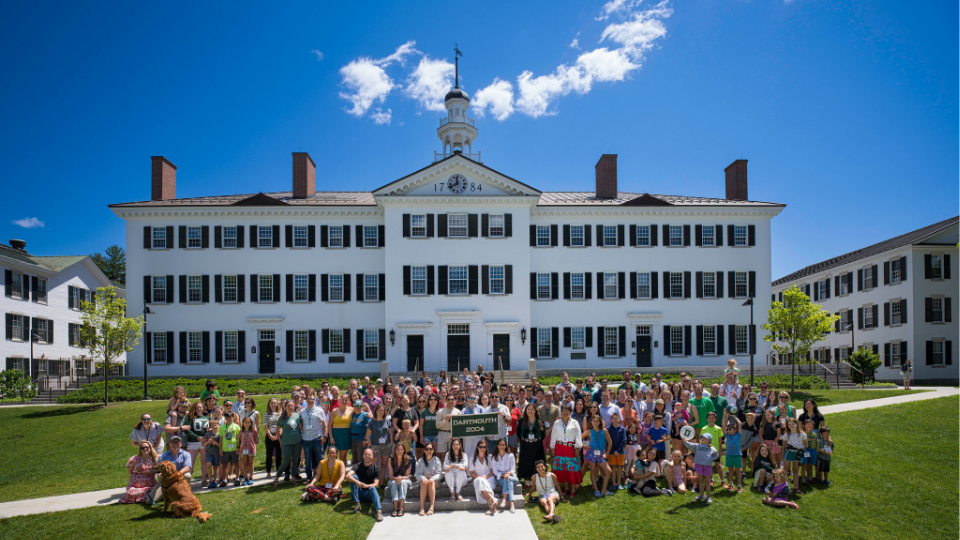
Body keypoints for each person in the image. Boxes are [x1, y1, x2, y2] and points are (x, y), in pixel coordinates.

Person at [550, 403, 583, 499]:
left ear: (570, 412)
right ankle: (566, 488)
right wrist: (552, 448)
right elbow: (553, 436)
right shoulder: (557, 423)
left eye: (567, 410)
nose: (565, 412)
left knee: (571, 469)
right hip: (559, 448)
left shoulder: (575, 423)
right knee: (563, 468)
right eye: (563, 410)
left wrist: (578, 447)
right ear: (561, 411)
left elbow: (578, 436)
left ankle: (573, 489)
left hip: (571, 448)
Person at [148, 435, 192, 504]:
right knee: (149, 501)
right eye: (173, 442)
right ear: (169, 445)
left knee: (187, 475)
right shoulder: (163, 456)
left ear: (181, 444)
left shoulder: (186, 454)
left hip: (179, 479)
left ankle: (181, 493)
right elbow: (159, 471)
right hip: (166, 480)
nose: (175, 444)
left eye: (177, 442)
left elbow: (187, 467)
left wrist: (176, 474)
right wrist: (161, 476)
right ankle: (167, 494)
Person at [346, 447, 384, 522]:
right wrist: (357, 482)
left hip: (368, 494)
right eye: (366, 454)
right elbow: (347, 476)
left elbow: (376, 484)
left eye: (369, 455)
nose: (367, 456)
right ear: (363, 456)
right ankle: (357, 504)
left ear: (372, 456)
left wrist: (366, 486)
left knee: (373, 488)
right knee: (353, 477)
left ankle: (379, 511)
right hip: (359, 492)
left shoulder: (375, 468)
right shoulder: (358, 465)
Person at [274, 400, 303, 486]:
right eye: (289, 406)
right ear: (285, 407)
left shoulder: (298, 416)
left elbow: (301, 427)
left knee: (295, 461)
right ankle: (276, 478)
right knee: (286, 462)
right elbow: (277, 431)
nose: (290, 407)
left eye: (292, 406)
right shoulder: (282, 418)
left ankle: (293, 479)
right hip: (286, 443)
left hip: (297, 442)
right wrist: (280, 442)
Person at [517, 403, 546, 490]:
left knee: (536, 463)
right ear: (525, 411)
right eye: (528, 409)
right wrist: (523, 440)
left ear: (535, 411)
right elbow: (518, 432)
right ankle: (527, 483)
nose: (530, 411)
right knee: (526, 463)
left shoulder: (540, 420)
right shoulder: (522, 420)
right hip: (525, 445)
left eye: (532, 409)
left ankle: (536, 482)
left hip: (536, 445)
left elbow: (543, 434)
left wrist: (537, 440)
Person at [683, 432, 719, 504]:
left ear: (709, 440)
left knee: (707, 482)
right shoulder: (697, 446)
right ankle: (702, 495)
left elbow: (716, 455)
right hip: (699, 466)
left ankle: (708, 497)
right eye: (702, 437)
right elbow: (689, 445)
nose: (702, 439)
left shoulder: (711, 448)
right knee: (701, 481)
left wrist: (710, 458)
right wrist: (684, 441)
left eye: (705, 438)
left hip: (707, 466)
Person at [583, 414, 612, 497]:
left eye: (597, 421)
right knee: (593, 472)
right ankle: (596, 490)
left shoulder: (604, 430)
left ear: (600, 422)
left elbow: (610, 443)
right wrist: (584, 446)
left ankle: (603, 490)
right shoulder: (589, 431)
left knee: (608, 471)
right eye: (594, 421)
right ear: (591, 422)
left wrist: (606, 454)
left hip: (600, 453)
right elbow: (578, 438)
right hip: (591, 453)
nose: (595, 423)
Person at [301, 393, 327, 483]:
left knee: (320, 458)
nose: (311, 401)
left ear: (315, 400)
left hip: (317, 438)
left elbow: (324, 424)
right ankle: (308, 477)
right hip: (306, 439)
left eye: (312, 399)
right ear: (306, 400)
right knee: (308, 459)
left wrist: (324, 436)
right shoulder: (302, 411)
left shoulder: (319, 410)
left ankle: (323, 475)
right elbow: (301, 424)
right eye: (309, 399)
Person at [469, 440, 498, 515]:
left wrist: (486, 476)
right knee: (480, 481)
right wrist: (480, 477)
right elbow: (471, 473)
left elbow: (492, 471)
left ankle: (491, 507)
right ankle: (492, 501)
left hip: (489, 478)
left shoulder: (489, 457)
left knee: (483, 487)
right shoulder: (472, 459)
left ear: (486, 447)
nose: (482, 448)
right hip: (477, 478)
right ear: (477, 447)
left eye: (484, 447)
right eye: (481, 447)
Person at [780, 417, 807, 495]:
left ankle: (796, 487)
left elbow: (805, 444)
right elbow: (784, 444)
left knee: (795, 470)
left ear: (797, 424)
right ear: (787, 426)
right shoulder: (786, 434)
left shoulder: (802, 434)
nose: (791, 425)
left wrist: (800, 449)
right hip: (789, 452)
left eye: (793, 423)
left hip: (798, 453)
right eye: (789, 424)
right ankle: (786, 487)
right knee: (786, 470)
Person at [491, 438, 518, 513]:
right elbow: (495, 471)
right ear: (497, 446)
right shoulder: (494, 457)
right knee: (509, 482)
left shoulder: (510, 455)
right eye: (500, 445)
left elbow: (513, 469)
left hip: (512, 477)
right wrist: (503, 475)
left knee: (509, 479)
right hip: (501, 479)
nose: (502, 446)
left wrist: (508, 474)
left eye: (503, 445)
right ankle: (511, 503)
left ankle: (504, 499)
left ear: (506, 446)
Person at [182, 402, 209, 477]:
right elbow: (187, 430)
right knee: (190, 462)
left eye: (200, 407)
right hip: (193, 442)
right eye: (197, 408)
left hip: (204, 442)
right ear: (194, 409)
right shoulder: (190, 418)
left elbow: (207, 430)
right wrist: (197, 437)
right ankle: (188, 479)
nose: (199, 409)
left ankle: (204, 479)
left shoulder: (206, 418)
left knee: (204, 461)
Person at [386, 443, 413, 517]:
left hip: (405, 480)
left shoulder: (409, 459)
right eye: (398, 449)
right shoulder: (390, 460)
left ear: (404, 450)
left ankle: (401, 507)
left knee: (403, 482)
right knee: (394, 483)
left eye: (401, 449)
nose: (399, 451)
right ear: (395, 450)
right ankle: (395, 508)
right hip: (393, 480)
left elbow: (407, 476)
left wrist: (400, 478)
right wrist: (397, 478)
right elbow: (391, 477)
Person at [416, 442, 443, 516]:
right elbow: (417, 474)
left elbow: (439, 474)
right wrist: (423, 478)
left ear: (433, 450)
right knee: (424, 482)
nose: (429, 451)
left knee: (431, 482)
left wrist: (433, 478)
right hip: (423, 483)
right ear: (424, 451)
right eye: (427, 449)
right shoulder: (420, 461)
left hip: (434, 483)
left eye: (430, 449)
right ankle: (422, 508)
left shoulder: (437, 460)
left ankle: (432, 507)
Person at [722, 414, 743, 492]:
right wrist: (726, 416)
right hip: (729, 456)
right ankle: (731, 485)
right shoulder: (727, 436)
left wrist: (733, 416)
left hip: (737, 456)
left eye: (730, 429)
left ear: (735, 430)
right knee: (730, 471)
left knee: (738, 471)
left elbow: (740, 424)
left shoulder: (738, 435)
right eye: (728, 429)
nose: (728, 430)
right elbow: (723, 425)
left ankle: (739, 486)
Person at [329, 398, 354, 464]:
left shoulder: (352, 410)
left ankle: (341, 472)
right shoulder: (334, 411)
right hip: (336, 434)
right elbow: (329, 425)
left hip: (346, 434)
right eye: (343, 399)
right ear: (340, 400)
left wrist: (369, 413)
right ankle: (333, 472)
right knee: (333, 456)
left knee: (342, 457)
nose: (344, 401)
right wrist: (331, 437)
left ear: (348, 401)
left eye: (346, 400)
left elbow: (362, 410)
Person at [219, 411, 241, 487]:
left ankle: (237, 479)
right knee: (224, 465)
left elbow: (238, 438)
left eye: (231, 417)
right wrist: (220, 449)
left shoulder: (236, 426)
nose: (229, 419)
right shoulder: (222, 427)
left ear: (233, 417)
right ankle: (224, 480)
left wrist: (238, 447)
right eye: (227, 417)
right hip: (225, 449)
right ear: (225, 418)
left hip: (234, 448)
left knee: (236, 464)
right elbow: (221, 439)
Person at [606, 412, 626, 490]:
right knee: (613, 467)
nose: (615, 420)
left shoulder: (622, 429)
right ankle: (613, 483)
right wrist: (614, 450)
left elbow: (624, 440)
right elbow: (609, 440)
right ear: (611, 419)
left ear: (619, 419)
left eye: (617, 418)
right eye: (614, 418)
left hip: (620, 452)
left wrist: (618, 450)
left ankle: (619, 483)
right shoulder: (608, 429)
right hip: (611, 451)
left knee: (620, 467)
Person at [263, 398, 282, 478]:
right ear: (269, 404)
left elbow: (282, 425)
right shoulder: (266, 414)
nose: (273, 404)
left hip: (278, 436)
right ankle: (268, 472)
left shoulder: (280, 413)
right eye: (272, 403)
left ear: (277, 404)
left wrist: (278, 435)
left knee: (278, 454)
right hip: (270, 436)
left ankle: (278, 471)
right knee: (269, 455)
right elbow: (266, 426)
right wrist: (270, 435)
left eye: (274, 403)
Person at [200, 420, 222, 488]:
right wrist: (207, 442)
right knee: (208, 465)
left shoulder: (220, 434)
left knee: (215, 467)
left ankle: (215, 481)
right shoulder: (208, 434)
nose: (214, 427)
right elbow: (203, 444)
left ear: (218, 425)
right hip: (208, 453)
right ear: (210, 427)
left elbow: (222, 445)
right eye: (212, 426)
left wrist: (217, 444)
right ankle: (211, 480)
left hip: (216, 453)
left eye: (216, 425)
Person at [238, 416, 258, 486]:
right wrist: (239, 448)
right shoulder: (241, 431)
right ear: (243, 423)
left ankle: (251, 478)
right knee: (245, 463)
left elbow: (256, 439)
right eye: (245, 422)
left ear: (251, 423)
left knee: (251, 463)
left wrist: (253, 445)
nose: (247, 424)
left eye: (248, 422)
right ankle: (246, 478)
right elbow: (239, 440)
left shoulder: (253, 430)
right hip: (243, 449)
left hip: (251, 449)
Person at [350, 400, 371, 465]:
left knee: (360, 457)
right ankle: (355, 472)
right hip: (353, 438)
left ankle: (361, 473)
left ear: (362, 406)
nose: (358, 407)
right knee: (354, 457)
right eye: (356, 406)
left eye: (359, 406)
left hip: (361, 438)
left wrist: (365, 439)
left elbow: (369, 428)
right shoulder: (352, 415)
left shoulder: (365, 415)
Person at [800, 419, 819, 486]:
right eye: (807, 424)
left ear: (813, 427)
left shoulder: (814, 434)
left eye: (811, 425)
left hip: (812, 451)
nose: (809, 425)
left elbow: (817, 443)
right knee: (804, 465)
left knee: (810, 465)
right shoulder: (802, 434)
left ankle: (810, 478)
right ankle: (803, 479)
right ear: (804, 426)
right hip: (804, 451)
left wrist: (815, 451)